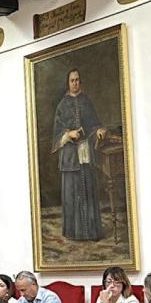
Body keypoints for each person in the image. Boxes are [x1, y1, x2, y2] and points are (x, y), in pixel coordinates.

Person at [53, 69, 107, 241]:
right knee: (72, 193)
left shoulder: (86, 101)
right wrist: (68, 135)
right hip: (70, 155)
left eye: (77, 80)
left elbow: (94, 123)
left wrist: (99, 129)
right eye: (72, 80)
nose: (75, 83)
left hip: (85, 151)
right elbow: (56, 132)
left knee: (88, 189)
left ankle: (91, 232)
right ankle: (74, 233)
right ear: (67, 83)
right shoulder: (62, 105)